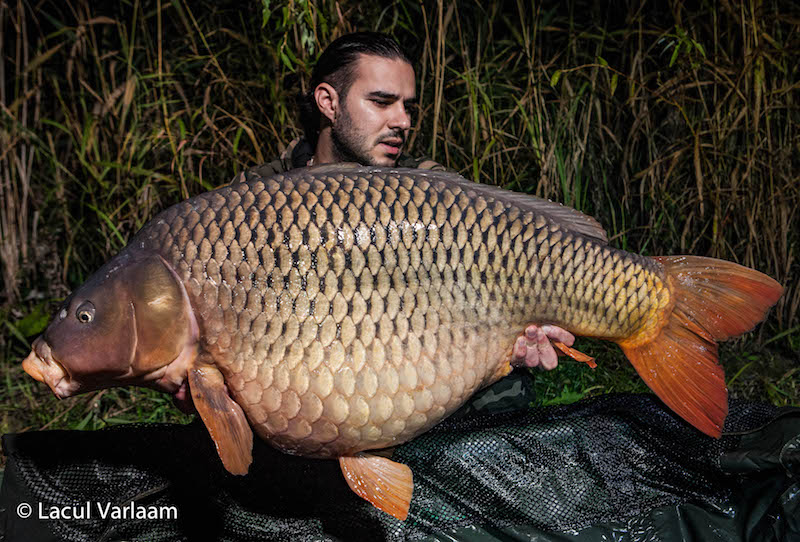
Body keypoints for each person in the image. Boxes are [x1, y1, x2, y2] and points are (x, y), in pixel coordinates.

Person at [246, 32, 575, 371]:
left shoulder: (432, 191)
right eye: (382, 102)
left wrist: (512, 341)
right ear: (329, 102)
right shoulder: (255, 196)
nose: (403, 121)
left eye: (407, 106)